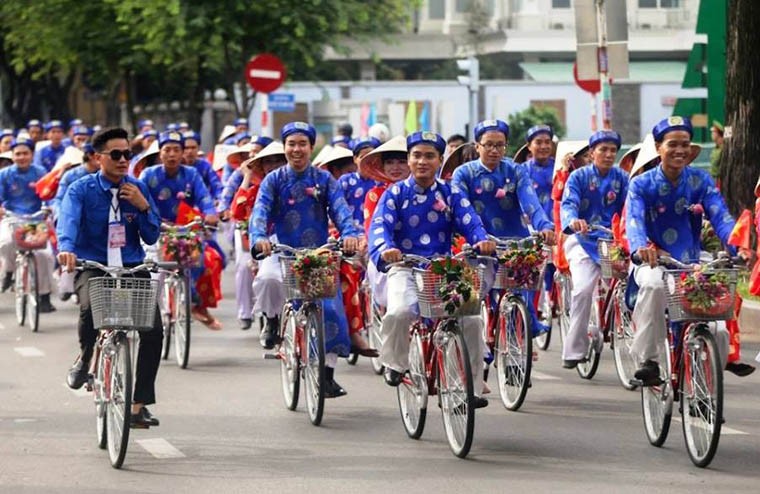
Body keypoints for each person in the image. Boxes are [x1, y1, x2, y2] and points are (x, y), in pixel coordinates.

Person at [368, 131, 496, 408]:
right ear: (410, 159)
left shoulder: (451, 193)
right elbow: (380, 228)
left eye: (429, 156)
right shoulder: (395, 193)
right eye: (416, 155)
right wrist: (386, 249)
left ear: (440, 160)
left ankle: (470, 385)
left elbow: (470, 221)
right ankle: (395, 362)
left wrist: (481, 240)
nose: (422, 161)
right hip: (405, 266)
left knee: (472, 320)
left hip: (444, 270)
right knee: (400, 311)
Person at [626, 117, 753, 384]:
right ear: (659, 147)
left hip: (691, 263)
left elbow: (721, 217)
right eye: (673, 144)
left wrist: (738, 247)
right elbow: (634, 221)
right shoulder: (640, 185)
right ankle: (649, 360)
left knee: (718, 329)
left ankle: (705, 388)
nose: (680, 150)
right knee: (653, 287)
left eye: (685, 144)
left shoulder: (700, 180)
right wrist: (641, 249)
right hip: (653, 261)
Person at [59, 127, 163, 428]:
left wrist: (143, 206)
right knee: (91, 310)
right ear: (97, 157)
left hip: (131, 266)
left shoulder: (138, 187)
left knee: (153, 330)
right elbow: (67, 222)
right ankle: (85, 356)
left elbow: (152, 235)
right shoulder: (81, 189)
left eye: (127, 154)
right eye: (115, 154)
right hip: (93, 264)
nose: (122, 160)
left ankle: (138, 405)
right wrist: (66, 250)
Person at [250, 121, 361, 398]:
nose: (296, 149)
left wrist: (349, 235)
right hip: (281, 249)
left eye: (302, 144)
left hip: (317, 252)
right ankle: (272, 319)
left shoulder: (324, 180)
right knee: (267, 278)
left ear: (311, 148)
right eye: (291, 143)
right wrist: (259, 238)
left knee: (331, 310)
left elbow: (342, 212)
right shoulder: (273, 180)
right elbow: (260, 213)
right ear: (284, 147)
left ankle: (327, 375)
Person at [139, 131, 223, 329]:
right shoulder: (148, 175)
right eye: (167, 150)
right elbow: (140, 200)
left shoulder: (191, 174)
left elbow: (204, 197)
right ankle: (148, 316)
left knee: (203, 259)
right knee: (153, 274)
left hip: (185, 230)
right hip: (155, 231)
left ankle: (193, 298)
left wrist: (210, 213)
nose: (171, 154)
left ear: (183, 153)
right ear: (160, 153)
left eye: (176, 150)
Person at [560, 130, 628, 369]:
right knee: (583, 290)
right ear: (592, 153)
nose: (609, 155)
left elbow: (631, 208)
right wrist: (573, 221)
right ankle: (574, 349)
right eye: (603, 150)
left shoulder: (622, 178)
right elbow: (568, 204)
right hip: (583, 240)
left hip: (614, 242)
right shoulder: (578, 177)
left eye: (613, 150)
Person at [228, 141, 286, 329]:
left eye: (280, 160)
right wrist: (247, 177)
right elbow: (237, 211)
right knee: (266, 277)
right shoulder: (257, 191)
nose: (275, 166)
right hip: (270, 244)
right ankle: (270, 318)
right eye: (269, 162)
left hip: (303, 242)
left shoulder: (306, 187)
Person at [336, 137, 382, 355]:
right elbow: (336, 213)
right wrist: (351, 236)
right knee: (350, 275)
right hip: (350, 239)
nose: (366, 160)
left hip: (378, 239)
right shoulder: (344, 183)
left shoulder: (382, 184)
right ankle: (354, 331)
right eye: (362, 155)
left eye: (371, 155)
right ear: (355, 159)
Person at [0, 136, 57, 311]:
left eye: (25, 153)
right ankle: (9, 272)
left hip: (35, 219)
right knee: (7, 243)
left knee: (45, 256)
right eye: (18, 154)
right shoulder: (4, 174)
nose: (21, 157)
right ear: (13, 155)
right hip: (12, 218)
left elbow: (48, 194)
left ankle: (44, 296)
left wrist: (48, 207)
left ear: (32, 154)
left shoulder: (40, 172)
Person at [359, 136, 410, 311]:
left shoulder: (430, 190)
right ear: (382, 166)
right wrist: (386, 251)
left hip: (422, 254)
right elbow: (372, 230)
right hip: (386, 255)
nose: (395, 167)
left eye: (402, 162)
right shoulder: (375, 194)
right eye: (390, 162)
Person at [182, 131, 223, 202]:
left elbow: (216, 186)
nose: (190, 151)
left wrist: (218, 200)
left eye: (193, 147)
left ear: (198, 148)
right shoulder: (175, 166)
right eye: (186, 148)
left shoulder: (205, 165)